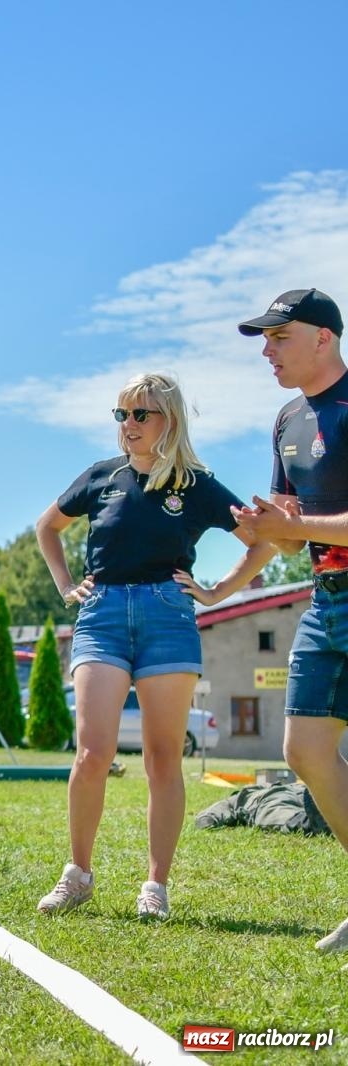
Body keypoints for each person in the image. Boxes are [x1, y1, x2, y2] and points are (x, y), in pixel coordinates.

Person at [34, 371, 273, 920]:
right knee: (92, 754)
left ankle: (156, 885)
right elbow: (47, 528)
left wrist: (215, 592)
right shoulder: (102, 476)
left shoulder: (197, 484)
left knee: (164, 758)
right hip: (103, 615)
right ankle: (78, 874)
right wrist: (68, 586)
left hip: (169, 614)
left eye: (141, 414)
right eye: (122, 415)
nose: (129, 426)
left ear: (170, 419)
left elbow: (261, 543)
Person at [229, 289, 348, 957]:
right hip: (324, 599)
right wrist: (231, 574)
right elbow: (284, 533)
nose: (268, 350)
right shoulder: (286, 420)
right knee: (303, 752)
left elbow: (298, 524)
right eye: (264, 340)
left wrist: (291, 526)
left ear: (325, 338)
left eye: (280, 336)